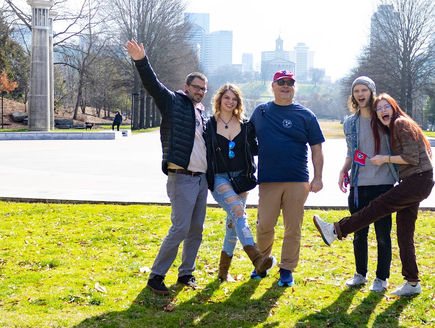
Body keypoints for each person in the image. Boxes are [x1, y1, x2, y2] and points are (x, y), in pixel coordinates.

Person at [313, 93, 435, 296]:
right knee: (404, 233)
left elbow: (412, 158)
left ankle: (336, 230)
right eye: (379, 109)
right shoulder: (394, 126)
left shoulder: (401, 124)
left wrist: (385, 158)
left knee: (378, 207)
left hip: (418, 180)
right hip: (416, 181)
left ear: (394, 107)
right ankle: (413, 283)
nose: (382, 111)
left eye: (386, 107)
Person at [125, 39, 209, 295]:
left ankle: (186, 274)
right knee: (180, 228)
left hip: (201, 180)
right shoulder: (173, 102)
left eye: (204, 88)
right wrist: (141, 61)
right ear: (186, 87)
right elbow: (153, 85)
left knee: (196, 230)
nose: (200, 91)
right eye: (196, 87)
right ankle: (156, 276)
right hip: (181, 178)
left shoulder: (201, 113)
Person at [250, 70, 325, 287]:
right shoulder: (261, 111)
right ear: (272, 86)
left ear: (294, 87)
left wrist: (318, 177)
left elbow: (317, 149)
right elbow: (245, 138)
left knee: (293, 228)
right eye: (280, 82)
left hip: (297, 179)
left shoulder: (306, 115)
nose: (285, 86)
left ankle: (287, 269)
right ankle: (261, 263)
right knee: (264, 225)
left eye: (290, 83)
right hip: (268, 179)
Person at [205, 83, 275, 281]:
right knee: (238, 212)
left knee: (233, 226)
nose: (230, 102)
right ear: (219, 100)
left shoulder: (245, 125)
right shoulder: (209, 124)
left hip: (241, 179)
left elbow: (255, 149)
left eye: (234, 99)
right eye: (226, 98)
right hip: (220, 178)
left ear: (238, 102)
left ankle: (222, 274)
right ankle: (257, 259)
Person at [338, 76, 398, 293]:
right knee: (359, 232)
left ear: (372, 92)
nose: (360, 94)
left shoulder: (383, 117)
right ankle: (360, 274)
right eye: (357, 91)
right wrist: (343, 169)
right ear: (353, 95)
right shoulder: (350, 122)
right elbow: (351, 152)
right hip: (358, 184)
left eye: (364, 90)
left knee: (383, 235)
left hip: (383, 184)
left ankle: (382, 278)